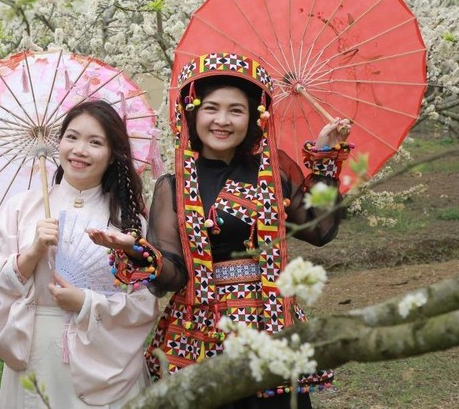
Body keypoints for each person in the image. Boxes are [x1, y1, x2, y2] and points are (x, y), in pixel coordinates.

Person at [91, 53, 353, 408]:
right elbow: (172, 273)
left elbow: (319, 229)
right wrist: (137, 252)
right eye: (211, 108)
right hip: (200, 332)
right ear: (193, 113)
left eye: (236, 110)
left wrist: (324, 157)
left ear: (253, 118)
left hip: (269, 322)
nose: (222, 120)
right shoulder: (175, 185)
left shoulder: (271, 172)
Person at [0, 100, 159, 408]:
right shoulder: (21, 207)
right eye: (71, 137)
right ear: (58, 143)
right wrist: (31, 254)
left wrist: (86, 303)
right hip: (34, 346)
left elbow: (144, 302)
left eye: (95, 142)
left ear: (113, 154)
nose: (79, 150)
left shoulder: (129, 220)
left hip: (105, 355)